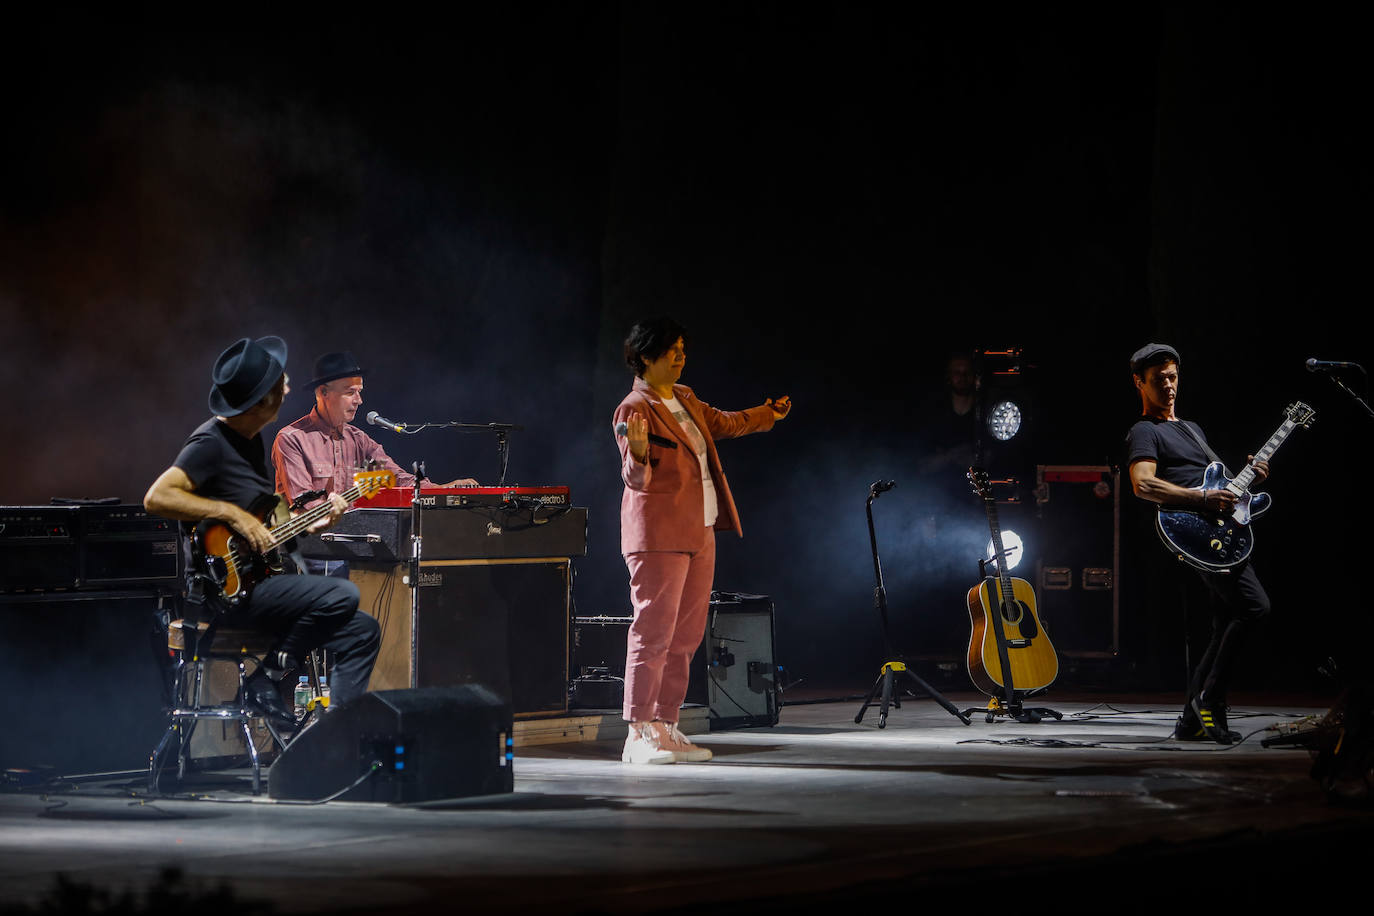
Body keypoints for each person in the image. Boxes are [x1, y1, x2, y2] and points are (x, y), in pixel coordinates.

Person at [144, 337, 381, 726]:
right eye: (277, 384)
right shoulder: (210, 442)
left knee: (362, 630)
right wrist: (230, 515)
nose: (287, 386)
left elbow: (267, 532)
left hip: (259, 582)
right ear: (259, 402)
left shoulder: (250, 443)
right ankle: (266, 677)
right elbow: (157, 497)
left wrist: (315, 523)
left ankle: (337, 732)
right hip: (224, 593)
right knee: (341, 592)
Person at [612, 317, 791, 764]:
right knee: (653, 631)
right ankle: (638, 732)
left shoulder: (685, 398)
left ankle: (667, 726)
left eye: (682, 348)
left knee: (686, 636)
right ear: (645, 356)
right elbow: (636, 478)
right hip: (658, 535)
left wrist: (767, 414)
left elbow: (724, 424)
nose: (680, 355)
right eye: (671, 349)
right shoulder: (634, 406)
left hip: (700, 529)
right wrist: (636, 456)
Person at [1124, 342, 1271, 744]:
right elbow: (1143, 484)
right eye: (1158, 380)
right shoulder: (1145, 431)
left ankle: (1191, 721)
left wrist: (1248, 480)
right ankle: (1211, 698)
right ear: (1140, 383)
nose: (1169, 386)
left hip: (1220, 530)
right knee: (1255, 607)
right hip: (1196, 535)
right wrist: (1202, 498)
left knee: (1226, 621)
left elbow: (1219, 486)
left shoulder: (1193, 429)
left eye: (1173, 377)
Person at [271, 351, 478, 574]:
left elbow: (399, 479)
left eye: (359, 392)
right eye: (351, 392)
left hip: (351, 550)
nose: (359, 400)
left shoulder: (359, 440)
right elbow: (305, 510)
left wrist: (441, 491)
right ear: (323, 392)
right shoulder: (292, 438)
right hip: (308, 555)